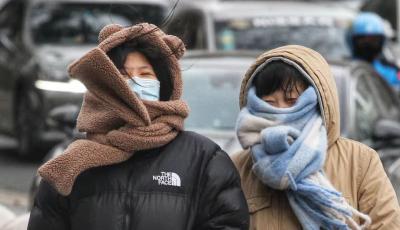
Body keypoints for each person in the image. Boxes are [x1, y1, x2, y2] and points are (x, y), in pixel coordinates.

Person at [28, 23, 249, 230]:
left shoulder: (204, 158)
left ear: (164, 85)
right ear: (106, 87)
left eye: (145, 74)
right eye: (123, 76)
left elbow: (227, 222)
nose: (134, 84)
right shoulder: (72, 165)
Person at [232, 45, 400, 229]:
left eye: (293, 101)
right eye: (269, 103)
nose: (280, 112)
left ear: (318, 102)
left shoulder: (360, 162)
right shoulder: (237, 168)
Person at [349, 12, 400, 92]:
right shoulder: (347, 73)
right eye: (363, 41)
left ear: (382, 41)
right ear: (354, 41)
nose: (368, 45)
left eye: (374, 41)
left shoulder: (392, 71)